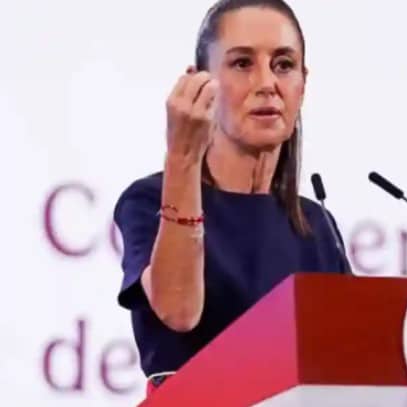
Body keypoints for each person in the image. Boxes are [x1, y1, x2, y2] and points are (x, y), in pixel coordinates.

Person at [112, 0, 347, 395]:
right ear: (201, 85)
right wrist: (182, 158)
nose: (267, 83)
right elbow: (179, 311)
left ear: (303, 84)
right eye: (242, 63)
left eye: (283, 65)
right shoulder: (148, 199)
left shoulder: (317, 225)